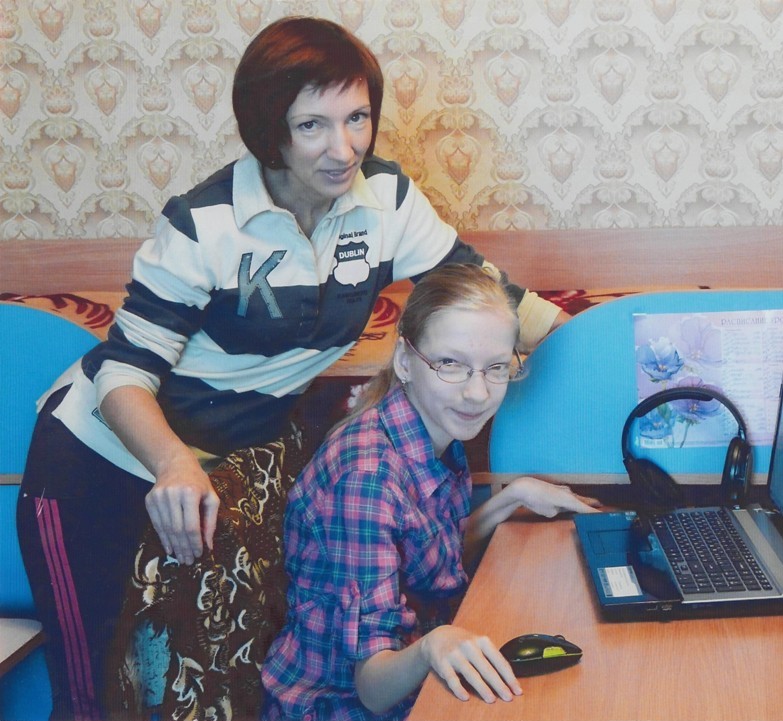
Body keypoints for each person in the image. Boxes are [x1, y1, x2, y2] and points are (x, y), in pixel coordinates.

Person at [16, 16, 567, 721]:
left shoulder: (387, 203)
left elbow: (491, 296)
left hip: (232, 462)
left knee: (217, 680)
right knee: (92, 686)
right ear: (268, 130)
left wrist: (600, 356)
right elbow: (122, 368)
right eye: (312, 126)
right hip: (98, 458)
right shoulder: (205, 222)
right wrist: (172, 463)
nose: (344, 148)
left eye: (357, 118)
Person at [261, 264, 598, 721]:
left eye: (496, 368)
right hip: (340, 707)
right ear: (405, 361)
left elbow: (430, 557)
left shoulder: (432, 428)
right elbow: (372, 688)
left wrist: (512, 496)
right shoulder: (366, 479)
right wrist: (431, 647)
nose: (477, 393)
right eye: (450, 364)